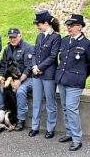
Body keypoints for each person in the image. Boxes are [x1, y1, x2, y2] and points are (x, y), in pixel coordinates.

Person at [55, 14, 90, 151]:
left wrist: (82, 76)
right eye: (68, 25)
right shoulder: (65, 40)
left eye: (72, 25)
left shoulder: (88, 44)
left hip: (75, 82)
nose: (69, 28)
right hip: (62, 79)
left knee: (72, 109)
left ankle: (77, 139)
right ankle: (69, 133)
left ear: (79, 26)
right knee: (66, 108)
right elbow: (62, 59)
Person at [29, 10, 60, 138]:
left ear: (46, 23)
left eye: (39, 24)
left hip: (48, 75)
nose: (37, 26)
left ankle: (50, 128)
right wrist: (35, 66)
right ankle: (35, 127)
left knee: (50, 102)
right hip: (37, 74)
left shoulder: (56, 37)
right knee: (36, 102)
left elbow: (53, 56)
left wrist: (40, 67)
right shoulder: (40, 36)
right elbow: (35, 52)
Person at [0, 28, 33, 131]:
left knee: (20, 91)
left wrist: (20, 81)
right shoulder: (7, 49)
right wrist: (1, 77)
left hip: (26, 78)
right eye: (10, 37)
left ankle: (20, 120)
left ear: (20, 36)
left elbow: (28, 68)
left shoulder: (28, 48)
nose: (12, 39)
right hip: (11, 78)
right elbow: (3, 65)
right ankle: (2, 113)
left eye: (14, 37)